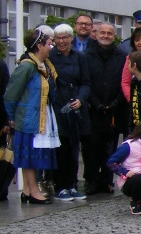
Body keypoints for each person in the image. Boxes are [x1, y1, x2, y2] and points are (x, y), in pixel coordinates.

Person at [3, 26, 58, 204]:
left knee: (33, 155)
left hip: (40, 116)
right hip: (28, 118)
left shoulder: (43, 66)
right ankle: (33, 190)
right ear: (39, 46)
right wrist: (12, 118)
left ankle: (27, 189)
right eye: (49, 44)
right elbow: (10, 95)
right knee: (29, 156)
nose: (51, 47)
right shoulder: (27, 67)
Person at [83, 21, 127, 195]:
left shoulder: (122, 56)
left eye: (109, 33)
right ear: (96, 34)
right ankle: (91, 180)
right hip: (93, 109)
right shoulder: (87, 56)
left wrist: (115, 103)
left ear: (114, 36)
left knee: (110, 146)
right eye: (103, 33)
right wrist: (96, 103)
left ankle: (107, 180)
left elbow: (123, 82)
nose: (106, 36)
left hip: (114, 110)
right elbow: (86, 81)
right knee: (91, 147)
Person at [49, 24, 90, 201]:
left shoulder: (80, 57)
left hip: (75, 107)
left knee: (74, 147)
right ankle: (60, 186)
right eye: (58, 38)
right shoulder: (50, 57)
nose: (62, 41)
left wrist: (81, 99)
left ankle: (72, 184)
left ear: (71, 38)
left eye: (65, 37)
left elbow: (86, 82)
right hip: (58, 106)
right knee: (62, 147)